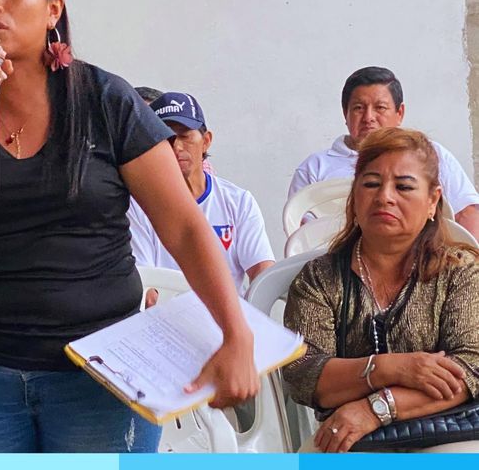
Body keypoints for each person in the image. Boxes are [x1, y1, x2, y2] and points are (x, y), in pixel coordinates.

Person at [0, 0, 258, 453]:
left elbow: (185, 227)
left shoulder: (106, 101)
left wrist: (236, 333)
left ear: (53, 9)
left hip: (102, 374)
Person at [283, 127, 479, 453]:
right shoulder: (319, 278)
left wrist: (375, 409)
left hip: (449, 434)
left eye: (404, 186)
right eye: (371, 183)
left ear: (432, 201)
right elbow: (302, 374)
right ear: (354, 197)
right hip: (347, 439)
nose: (385, 196)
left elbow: (471, 367)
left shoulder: (460, 270)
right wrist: (391, 368)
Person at [287, 67, 479, 238]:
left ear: (399, 113)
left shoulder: (430, 155)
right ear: (345, 113)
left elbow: (467, 214)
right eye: (358, 108)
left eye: (380, 108)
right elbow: (303, 237)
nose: (368, 117)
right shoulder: (314, 168)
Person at [127, 92, 274, 293]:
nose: (176, 146)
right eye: (165, 138)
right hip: (166, 311)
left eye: (185, 136)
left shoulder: (239, 201)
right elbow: (147, 288)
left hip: (228, 313)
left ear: (206, 141)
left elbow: (263, 272)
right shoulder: (138, 206)